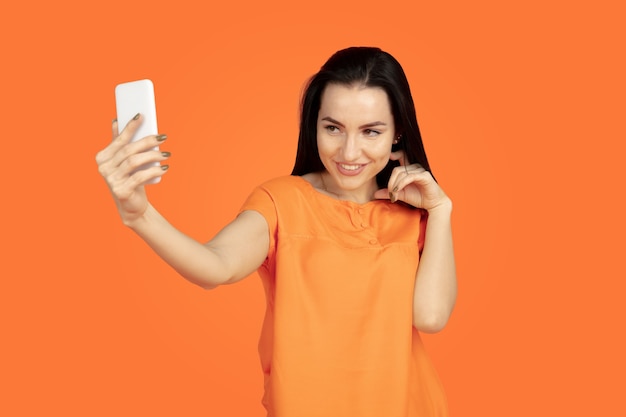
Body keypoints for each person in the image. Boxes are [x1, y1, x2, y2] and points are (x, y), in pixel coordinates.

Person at [96, 46, 457, 417]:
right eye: (332, 128)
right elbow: (216, 266)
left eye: (370, 132)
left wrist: (441, 210)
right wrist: (140, 215)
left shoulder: (415, 213)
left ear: (397, 133)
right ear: (314, 125)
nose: (349, 152)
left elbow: (430, 316)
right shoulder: (281, 201)